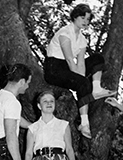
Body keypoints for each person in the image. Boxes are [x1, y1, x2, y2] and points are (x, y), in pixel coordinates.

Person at [44, 3, 116, 139]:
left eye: (88, 19)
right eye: (82, 18)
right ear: (75, 17)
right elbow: (71, 60)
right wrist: (80, 82)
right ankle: (84, 123)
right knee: (82, 83)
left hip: (67, 68)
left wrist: (81, 81)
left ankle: (96, 88)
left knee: (97, 58)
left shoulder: (82, 39)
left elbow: (81, 62)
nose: (85, 22)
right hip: (54, 68)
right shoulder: (65, 33)